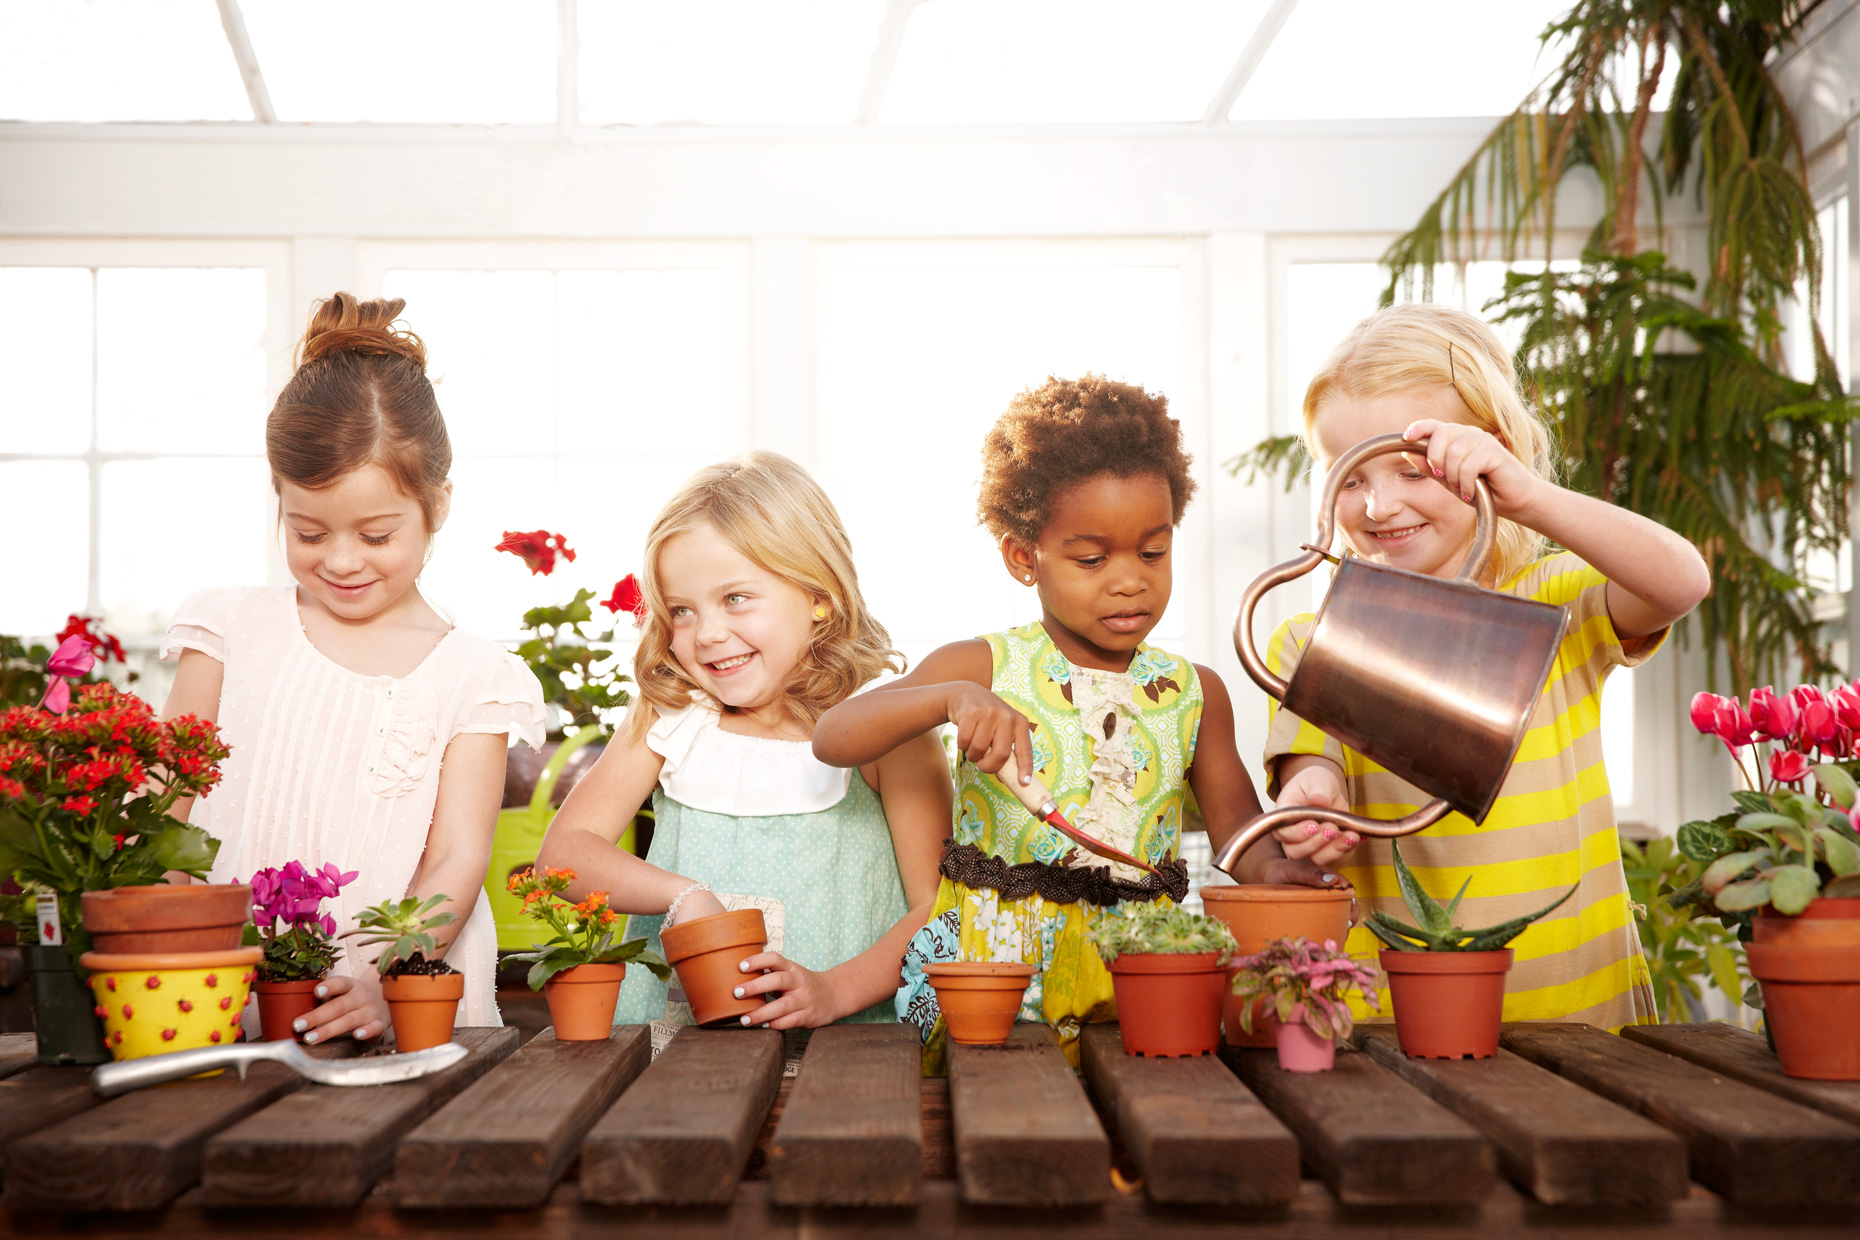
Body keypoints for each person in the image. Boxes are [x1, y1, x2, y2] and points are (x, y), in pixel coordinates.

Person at [813, 374, 1305, 1070]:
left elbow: (1238, 837)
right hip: (989, 983)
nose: (1129, 578)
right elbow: (834, 737)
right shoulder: (981, 666)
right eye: (1092, 558)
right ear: (1024, 557)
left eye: (1153, 552)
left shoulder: (1198, 693)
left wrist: (1276, 867)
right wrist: (949, 699)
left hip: (1134, 982)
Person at [1244, 301, 1711, 1029]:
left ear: (1485, 456)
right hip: (1404, 1022)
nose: (1378, 504)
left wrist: (1528, 497)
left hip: (1584, 1014)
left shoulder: (1556, 604)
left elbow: (1681, 581)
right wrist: (1312, 802)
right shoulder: (1316, 638)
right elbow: (1313, 768)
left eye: (1410, 471)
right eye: (1353, 478)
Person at [160, 292, 546, 1041]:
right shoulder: (230, 630)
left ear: (438, 506)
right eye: (307, 531)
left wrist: (382, 979)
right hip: (213, 1002)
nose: (339, 561)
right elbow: (162, 814)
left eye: (375, 535)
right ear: (279, 498)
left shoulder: (474, 678)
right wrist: (183, 942)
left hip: (398, 1010)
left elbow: (456, 863)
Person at [537, 452, 950, 1031]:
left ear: (819, 596)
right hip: (676, 1048)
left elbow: (936, 907)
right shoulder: (674, 715)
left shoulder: (883, 726)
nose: (706, 634)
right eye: (681, 611)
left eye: (735, 598)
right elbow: (562, 856)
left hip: (847, 1046)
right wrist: (682, 894)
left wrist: (832, 991)